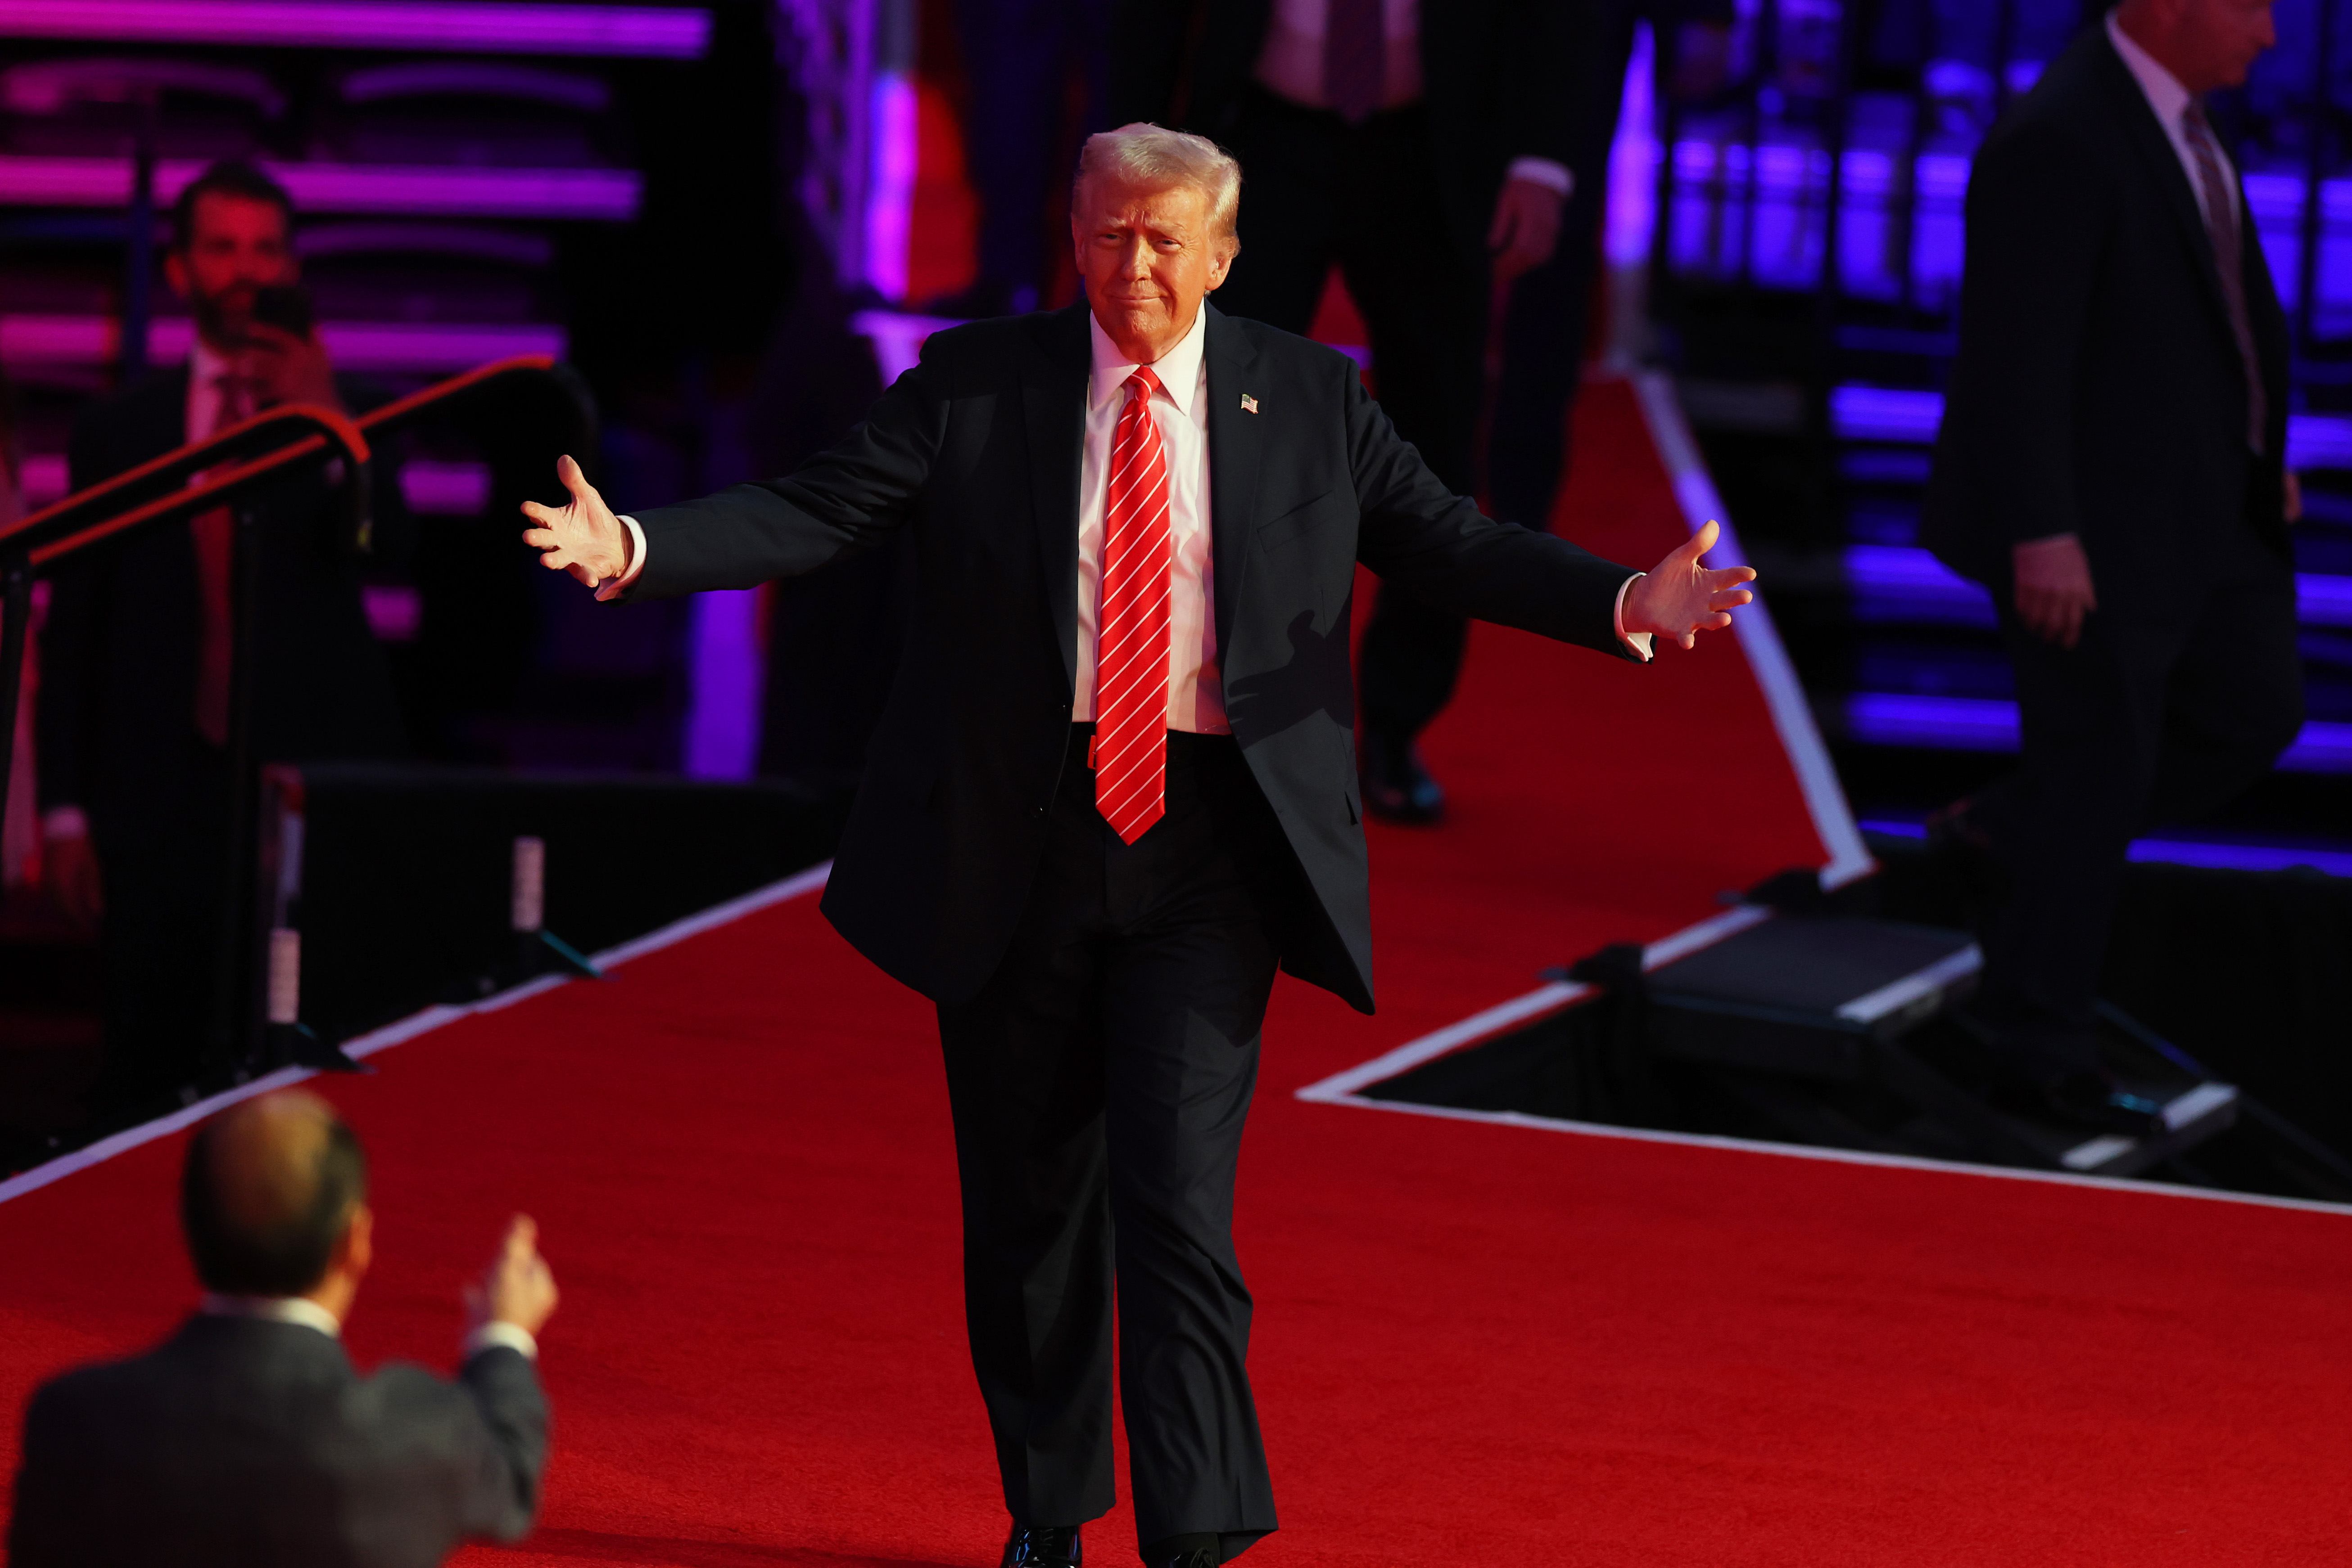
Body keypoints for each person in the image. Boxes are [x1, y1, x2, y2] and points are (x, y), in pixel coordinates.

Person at [518, 125, 1753, 1568]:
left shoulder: (1306, 397)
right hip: (1018, 842)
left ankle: (1198, 1533)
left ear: (1223, 253)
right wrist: (639, 549)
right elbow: (816, 509)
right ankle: (1049, 1510)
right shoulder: (982, 384)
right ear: (1074, 236)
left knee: (1176, 1207)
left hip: (1211, 851)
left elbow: (1444, 541)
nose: (1138, 265)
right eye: (1111, 234)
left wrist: (1621, 598)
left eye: (1169, 239)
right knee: (1033, 1210)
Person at [1922, 0, 2303, 1129]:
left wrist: (2258, 453)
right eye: (2252, 5)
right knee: (2098, 772)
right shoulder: (2063, 132)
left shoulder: (2179, 120)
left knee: (2253, 710)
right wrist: (2043, 529)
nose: (2273, 34)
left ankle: (2008, 828)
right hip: (2087, 529)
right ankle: (2039, 1051)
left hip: (2205, 509)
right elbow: (2013, 351)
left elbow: (2215, 319)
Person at [1111, 0, 1592, 822]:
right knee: (1204, 429)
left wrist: (1542, 160)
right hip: (1255, 137)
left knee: (1433, 445)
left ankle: (1397, 726)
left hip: (1432, 143)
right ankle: (1182, 708)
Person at [35, 160, 407, 1113]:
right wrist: (65, 810)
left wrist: (327, 419)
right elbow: (78, 624)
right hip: (154, 799)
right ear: (179, 271)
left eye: (266, 248)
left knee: (297, 1058)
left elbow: (391, 556)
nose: (245, 270)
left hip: (296, 796)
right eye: (221, 247)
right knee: (143, 1068)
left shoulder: (343, 417)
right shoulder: (120, 430)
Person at [7, 1089, 556, 1564]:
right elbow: (511, 1482)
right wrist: (501, 1338)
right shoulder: (415, 1432)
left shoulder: (76, 1418)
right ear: (354, 1245)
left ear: (185, 1225)